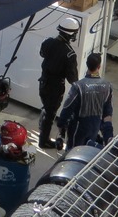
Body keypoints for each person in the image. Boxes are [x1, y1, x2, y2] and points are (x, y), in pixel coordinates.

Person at [56, 53, 112, 150]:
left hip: (78, 129)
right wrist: (108, 134)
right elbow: (107, 113)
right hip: (95, 127)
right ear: (99, 66)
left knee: (72, 154)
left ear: (87, 64)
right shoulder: (107, 86)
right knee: (87, 153)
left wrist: (61, 127)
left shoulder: (78, 86)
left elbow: (67, 110)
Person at [38, 16, 79, 149]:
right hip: (55, 88)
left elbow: (42, 54)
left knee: (46, 107)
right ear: (71, 34)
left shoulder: (47, 42)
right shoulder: (69, 54)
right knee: (50, 115)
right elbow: (72, 79)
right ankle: (43, 141)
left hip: (43, 82)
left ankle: (42, 130)